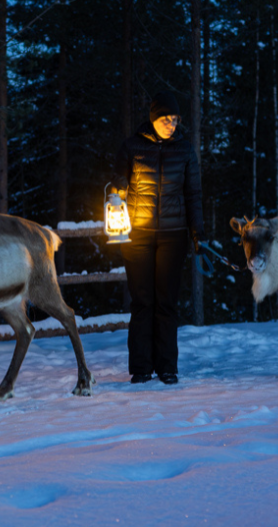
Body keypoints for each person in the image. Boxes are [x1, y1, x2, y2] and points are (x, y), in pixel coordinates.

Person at [112, 91, 206, 385]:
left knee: (166, 301)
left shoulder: (185, 150)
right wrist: (117, 188)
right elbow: (117, 179)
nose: (172, 125)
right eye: (167, 119)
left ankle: (167, 367)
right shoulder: (132, 146)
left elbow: (193, 194)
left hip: (173, 236)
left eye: (175, 120)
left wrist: (198, 233)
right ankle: (141, 367)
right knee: (142, 301)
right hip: (137, 235)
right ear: (154, 118)